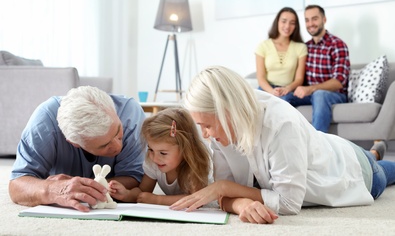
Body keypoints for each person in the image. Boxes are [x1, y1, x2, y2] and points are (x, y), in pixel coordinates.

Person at [170, 66, 394, 224]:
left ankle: (373, 156)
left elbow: (288, 202)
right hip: (326, 147)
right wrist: (238, 203)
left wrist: (224, 189)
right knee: (372, 155)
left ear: (229, 112)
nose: (205, 134)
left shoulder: (280, 124)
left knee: (384, 169)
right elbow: (224, 197)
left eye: (206, 125)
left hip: (354, 170)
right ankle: (374, 151)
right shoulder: (223, 131)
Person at [9, 86, 146, 212]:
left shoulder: (131, 113)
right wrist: (52, 189)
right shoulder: (44, 123)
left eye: (118, 132)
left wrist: (85, 188)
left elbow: (134, 177)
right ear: (74, 142)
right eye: (104, 145)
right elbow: (17, 184)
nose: (118, 147)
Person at [109, 108, 211, 206]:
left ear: (185, 149)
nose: (155, 158)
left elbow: (196, 199)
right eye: (151, 150)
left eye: (163, 153)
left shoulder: (195, 165)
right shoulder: (154, 163)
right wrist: (127, 194)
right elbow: (143, 191)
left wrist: (158, 200)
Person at [282, 5, 350, 133]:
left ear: (324, 20)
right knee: (285, 98)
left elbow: (338, 81)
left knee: (319, 94)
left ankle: (317, 145)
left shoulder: (337, 44)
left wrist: (311, 89)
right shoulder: (305, 47)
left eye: (314, 19)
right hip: (310, 94)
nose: (310, 24)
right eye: (307, 20)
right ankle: (287, 140)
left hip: (334, 94)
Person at [255, 7, 307, 100]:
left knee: (283, 101)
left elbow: (299, 79)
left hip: (287, 90)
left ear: (296, 26)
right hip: (266, 89)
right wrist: (271, 91)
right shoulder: (263, 46)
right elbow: (261, 78)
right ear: (277, 22)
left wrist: (287, 88)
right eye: (284, 21)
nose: (287, 26)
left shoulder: (301, 48)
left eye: (292, 23)